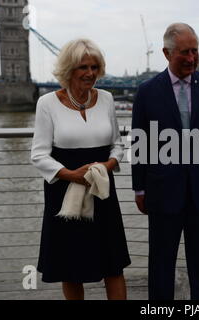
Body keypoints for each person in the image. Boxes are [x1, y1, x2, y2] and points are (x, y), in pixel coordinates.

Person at [131, 23, 199, 300]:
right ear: (166, 53)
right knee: (161, 262)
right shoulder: (147, 91)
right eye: (184, 53)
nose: (191, 58)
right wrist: (139, 189)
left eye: (195, 51)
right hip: (162, 190)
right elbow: (140, 142)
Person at [30, 38, 131, 300]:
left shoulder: (107, 99)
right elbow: (39, 155)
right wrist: (72, 175)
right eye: (83, 67)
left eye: (95, 67)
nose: (90, 73)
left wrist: (106, 166)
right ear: (69, 69)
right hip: (64, 195)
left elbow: (117, 147)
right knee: (70, 268)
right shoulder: (47, 103)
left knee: (113, 265)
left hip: (103, 192)